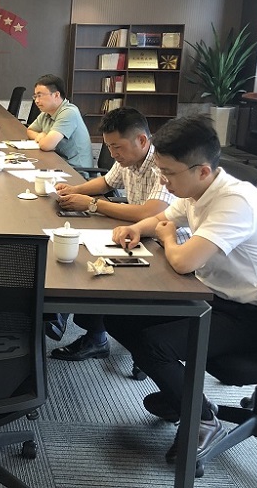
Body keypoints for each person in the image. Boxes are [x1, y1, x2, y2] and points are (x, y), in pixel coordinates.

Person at [104, 114, 257, 464]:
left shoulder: (235, 201)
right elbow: (162, 219)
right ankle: (181, 396)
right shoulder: (194, 189)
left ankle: (202, 418)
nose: (163, 180)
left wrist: (167, 237)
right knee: (118, 317)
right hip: (213, 295)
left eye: (169, 173)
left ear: (202, 170)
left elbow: (182, 261)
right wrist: (139, 228)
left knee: (155, 344)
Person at [51, 107, 189, 361]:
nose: (113, 154)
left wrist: (93, 204)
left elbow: (151, 212)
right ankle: (64, 316)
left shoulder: (163, 164)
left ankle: (94, 335)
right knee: (84, 254)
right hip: (140, 234)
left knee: (96, 269)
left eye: (117, 147)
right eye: (109, 147)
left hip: (167, 245)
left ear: (142, 140)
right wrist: (75, 189)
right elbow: (106, 182)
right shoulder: (128, 159)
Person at [25, 74, 92, 169]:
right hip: (58, 162)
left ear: (56, 95)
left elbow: (46, 145)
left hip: (76, 170)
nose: (36, 101)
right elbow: (30, 130)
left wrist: (44, 139)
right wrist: (40, 136)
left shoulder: (69, 112)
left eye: (40, 96)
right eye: (35, 96)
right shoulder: (47, 112)